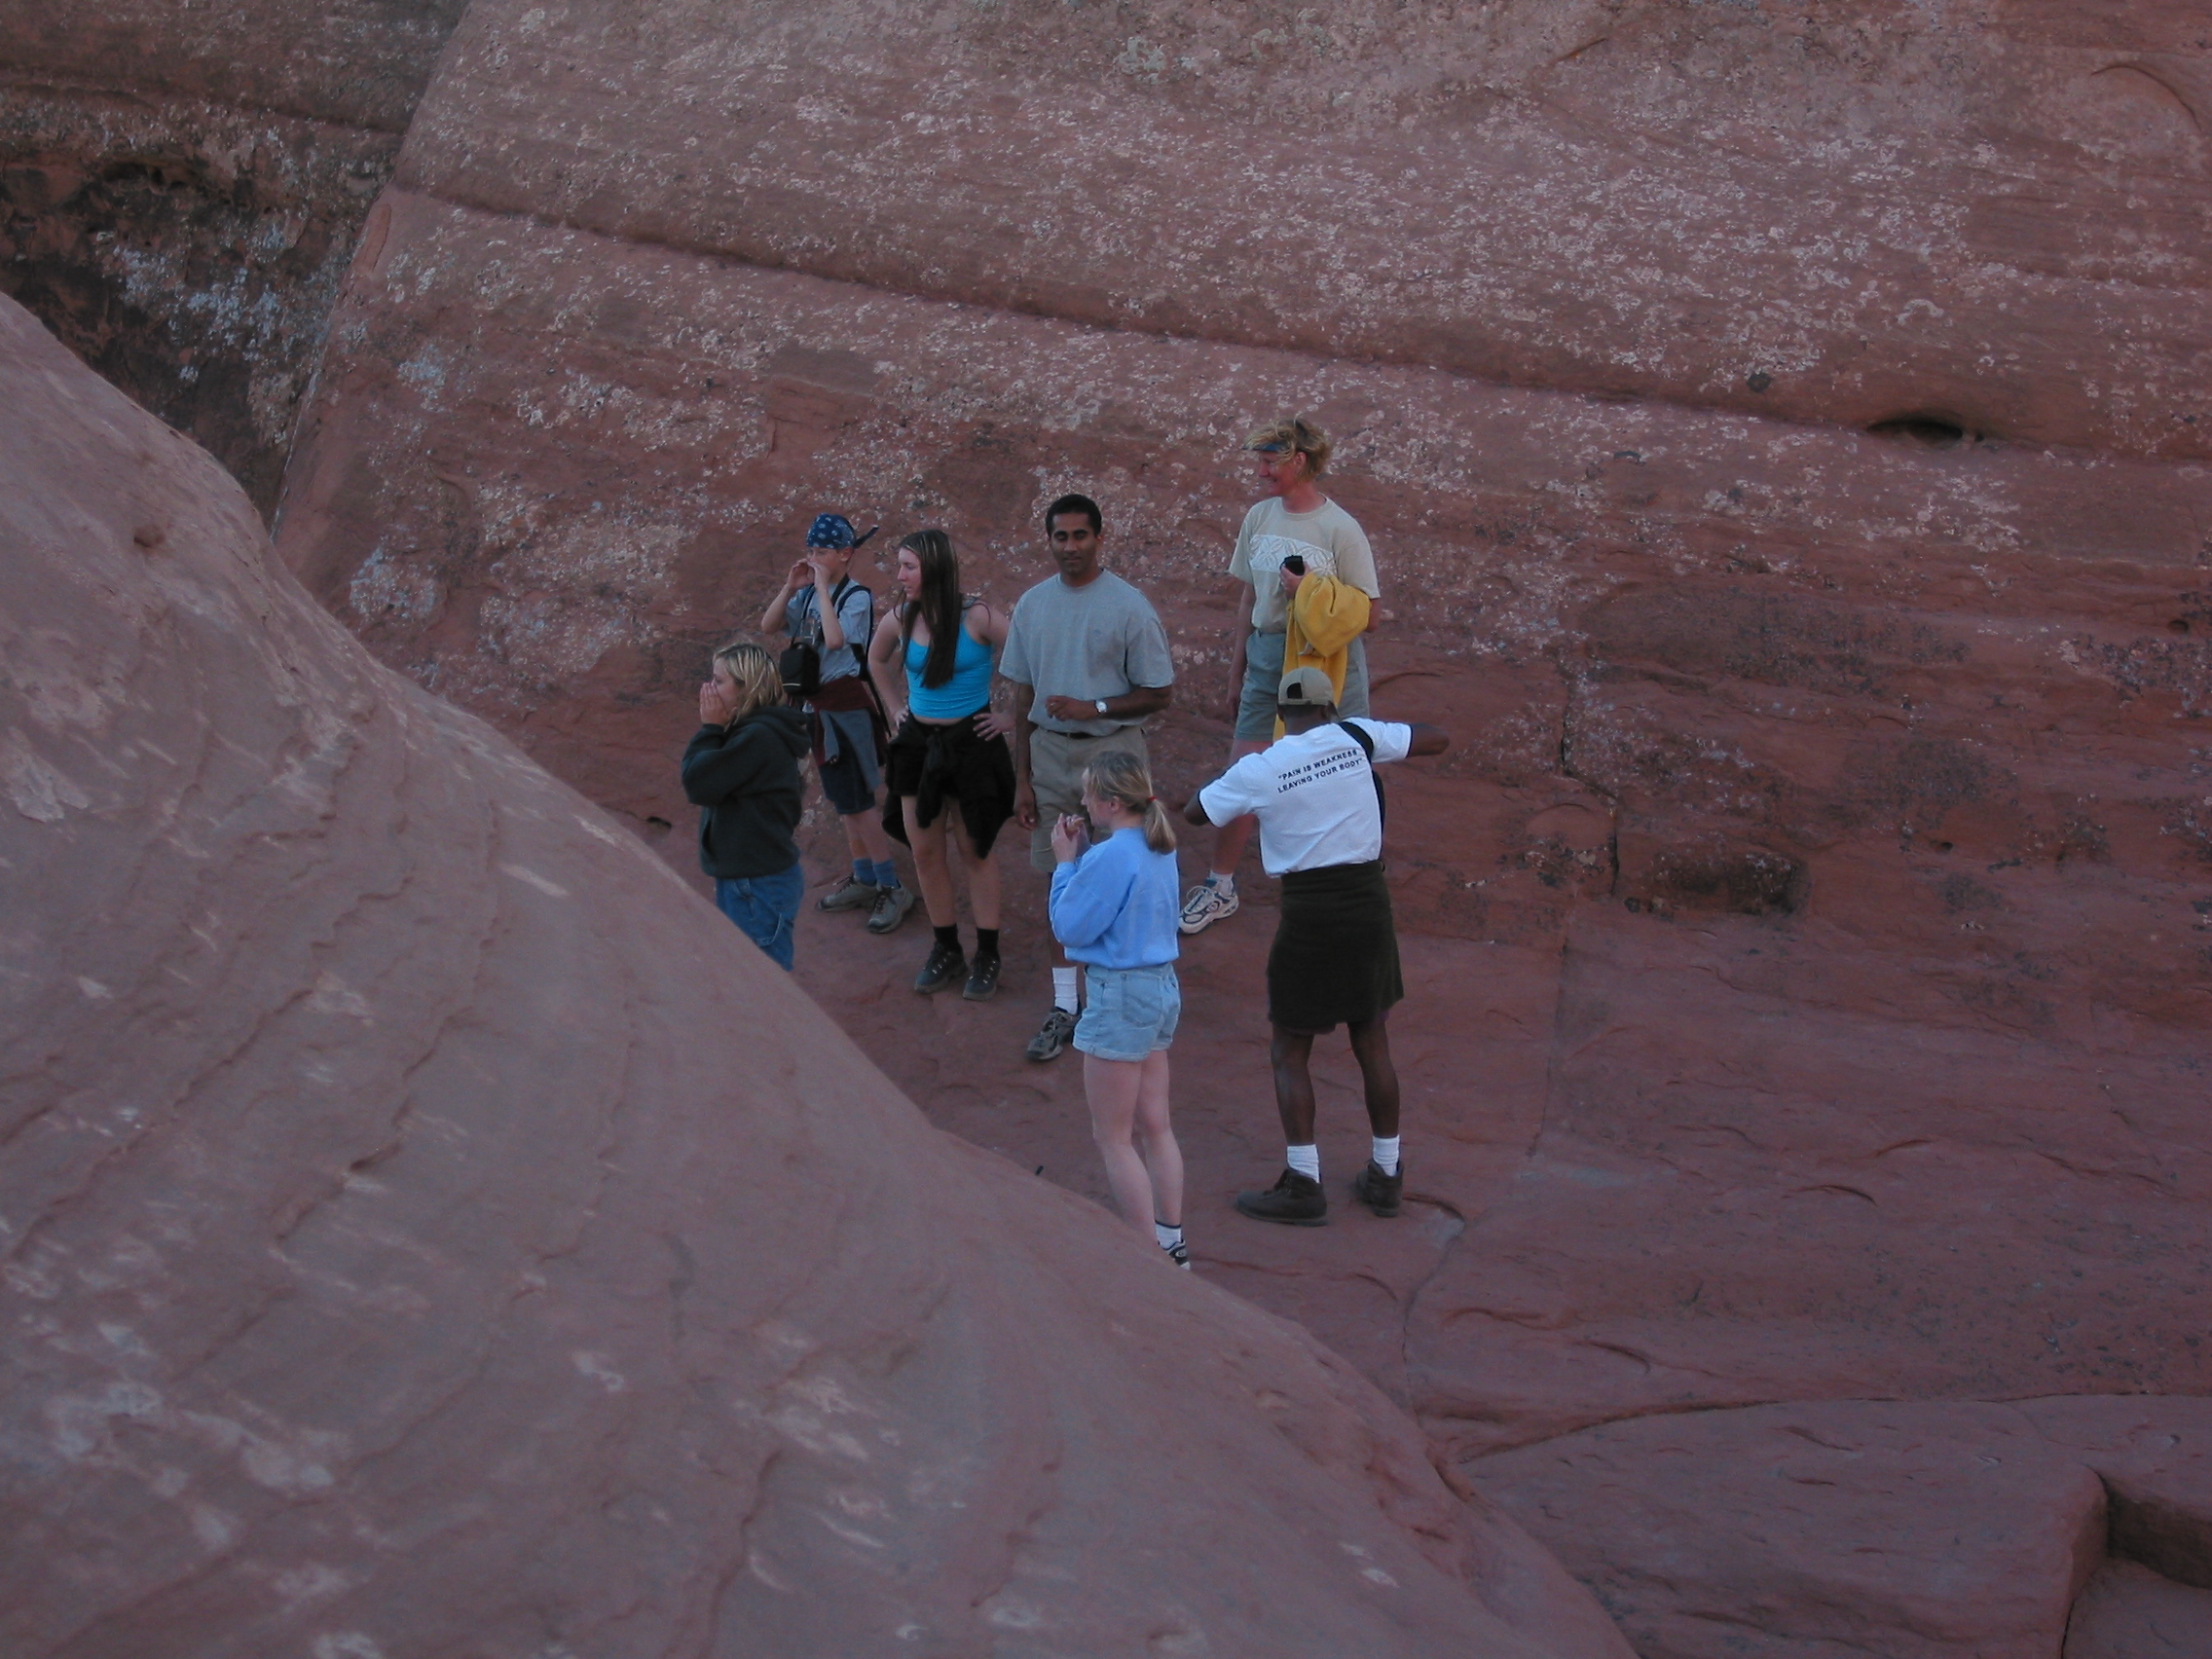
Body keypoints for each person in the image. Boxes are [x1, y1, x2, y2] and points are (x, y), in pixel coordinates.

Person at [1181, 667, 1450, 1225]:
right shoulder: (1357, 736)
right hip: (1367, 903)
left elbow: (1197, 812)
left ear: (1282, 715)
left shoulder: (1263, 767)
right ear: (1330, 708)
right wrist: (1370, 739)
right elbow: (1434, 737)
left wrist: (1248, 783)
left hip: (1309, 912)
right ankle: (1386, 1173)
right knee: (1371, 1039)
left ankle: (1304, 1182)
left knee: (1290, 1048)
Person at [1179, 416, 1383, 937]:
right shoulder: (1259, 517)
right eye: (1261, 461)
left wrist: (1312, 593)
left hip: (1326, 662)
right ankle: (1220, 884)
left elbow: (1370, 613)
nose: (1262, 471)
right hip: (1269, 654)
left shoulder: (1341, 529)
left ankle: (1355, 879)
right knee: (1243, 769)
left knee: (1346, 767)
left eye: (1270, 462)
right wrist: (1236, 668)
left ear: (1299, 462)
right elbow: (1249, 596)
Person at [999, 494, 1176, 1062]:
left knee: (1124, 877)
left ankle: (1113, 1001)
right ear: (1048, 540)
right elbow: (1022, 693)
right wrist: (1020, 777)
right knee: (1060, 874)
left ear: (1100, 538)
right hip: (1051, 758)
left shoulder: (1129, 607)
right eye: (1061, 537)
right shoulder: (1032, 605)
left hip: (1114, 758)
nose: (1070, 547)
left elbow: (1160, 692)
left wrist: (1093, 708)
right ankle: (1065, 1007)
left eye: (1080, 536)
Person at [1049, 750, 1189, 1270]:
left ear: (1109, 802)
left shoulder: (1112, 856)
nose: (1082, 801)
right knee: (1157, 1125)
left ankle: (1145, 1258)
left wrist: (1066, 866)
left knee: (1112, 1136)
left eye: (1088, 793)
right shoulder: (1157, 845)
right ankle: (1171, 1242)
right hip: (1159, 989)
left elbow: (1070, 929)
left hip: (1121, 995)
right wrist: (1084, 858)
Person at [866, 529, 1015, 1001]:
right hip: (917, 745)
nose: (900, 575)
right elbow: (874, 661)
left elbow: (1035, 656)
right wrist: (894, 709)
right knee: (925, 851)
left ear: (933, 567)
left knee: (975, 850)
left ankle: (987, 954)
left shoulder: (980, 616)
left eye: (908, 565)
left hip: (972, 742)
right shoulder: (900, 617)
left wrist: (1012, 716)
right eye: (900, 565)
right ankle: (946, 947)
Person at [758, 512, 913, 936]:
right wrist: (792, 587)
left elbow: (837, 640)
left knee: (858, 801)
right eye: (810, 551)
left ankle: (890, 885)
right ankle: (865, 876)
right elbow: (770, 625)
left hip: (843, 708)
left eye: (822, 552)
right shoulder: (808, 594)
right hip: (814, 708)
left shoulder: (856, 598)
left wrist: (823, 588)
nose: (814, 559)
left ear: (845, 554)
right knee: (842, 800)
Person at [682, 642, 812, 972]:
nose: (710, 689)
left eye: (719, 680)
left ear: (746, 687)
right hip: (750, 877)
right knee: (748, 973)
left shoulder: (758, 738)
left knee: (760, 977)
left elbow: (699, 782)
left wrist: (710, 728)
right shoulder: (754, 733)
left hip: (756, 883)